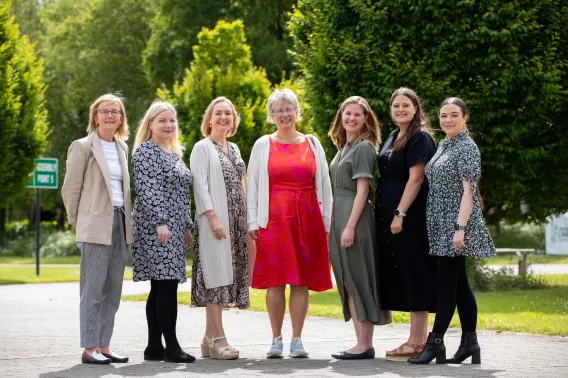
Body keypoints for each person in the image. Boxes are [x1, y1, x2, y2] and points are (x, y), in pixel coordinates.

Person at [409, 97, 496, 365]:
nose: (448, 119)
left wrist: (460, 229)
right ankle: (470, 343)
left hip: (455, 224)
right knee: (459, 286)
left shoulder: (467, 147)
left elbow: (469, 193)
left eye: (454, 115)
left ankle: (435, 343)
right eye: (444, 115)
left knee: (446, 286)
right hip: (439, 223)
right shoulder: (446, 144)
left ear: (465, 117)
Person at [247, 88, 333, 359]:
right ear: (271, 116)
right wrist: (252, 220)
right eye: (278, 110)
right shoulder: (263, 145)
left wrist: (326, 223)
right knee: (275, 281)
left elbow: (324, 186)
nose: (284, 114)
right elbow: (253, 185)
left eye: (288, 109)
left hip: (307, 219)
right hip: (273, 220)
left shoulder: (313, 143)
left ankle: (297, 339)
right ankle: (275, 339)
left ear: (297, 112)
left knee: (300, 282)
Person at [61, 93, 132, 364]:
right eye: (105, 111)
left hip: (120, 221)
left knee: (113, 289)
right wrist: (77, 221)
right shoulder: (82, 147)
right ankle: (89, 348)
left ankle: (104, 345)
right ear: (95, 115)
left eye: (116, 111)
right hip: (94, 224)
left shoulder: (122, 148)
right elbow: (71, 188)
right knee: (92, 289)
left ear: (121, 118)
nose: (111, 116)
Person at [375, 88, 438, 361]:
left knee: (415, 273)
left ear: (415, 108)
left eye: (405, 105)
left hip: (410, 217)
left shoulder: (420, 136)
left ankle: (417, 341)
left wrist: (400, 212)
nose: (400, 109)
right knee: (404, 272)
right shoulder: (392, 136)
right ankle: (416, 339)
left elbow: (416, 178)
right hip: (390, 218)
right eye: (396, 105)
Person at [328, 96, 392, 360]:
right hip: (339, 215)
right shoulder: (344, 146)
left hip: (354, 217)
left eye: (357, 114)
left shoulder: (364, 148)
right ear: (341, 116)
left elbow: (363, 190)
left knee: (358, 278)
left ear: (366, 118)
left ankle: (365, 345)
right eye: (347, 113)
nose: (351, 118)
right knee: (346, 280)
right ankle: (360, 343)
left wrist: (350, 227)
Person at [132, 101, 195, 363]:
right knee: (166, 285)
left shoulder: (173, 153)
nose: (169, 125)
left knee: (159, 286)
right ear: (150, 124)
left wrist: (187, 226)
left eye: (172, 120)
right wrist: (161, 222)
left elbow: (182, 194)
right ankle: (172, 347)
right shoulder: (145, 152)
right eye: (162, 120)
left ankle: (153, 347)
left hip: (174, 227)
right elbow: (147, 190)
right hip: (157, 228)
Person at [190, 97, 249, 360]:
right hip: (214, 220)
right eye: (218, 113)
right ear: (209, 119)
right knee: (215, 277)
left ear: (233, 120)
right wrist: (212, 217)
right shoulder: (202, 148)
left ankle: (207, 339)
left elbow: (242, 183)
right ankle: (217, 338)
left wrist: (248, 219)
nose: (223, 117)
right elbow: (200, 187)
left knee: (227, 276)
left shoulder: (234, 148)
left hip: (236, 222)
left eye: (228, 113)